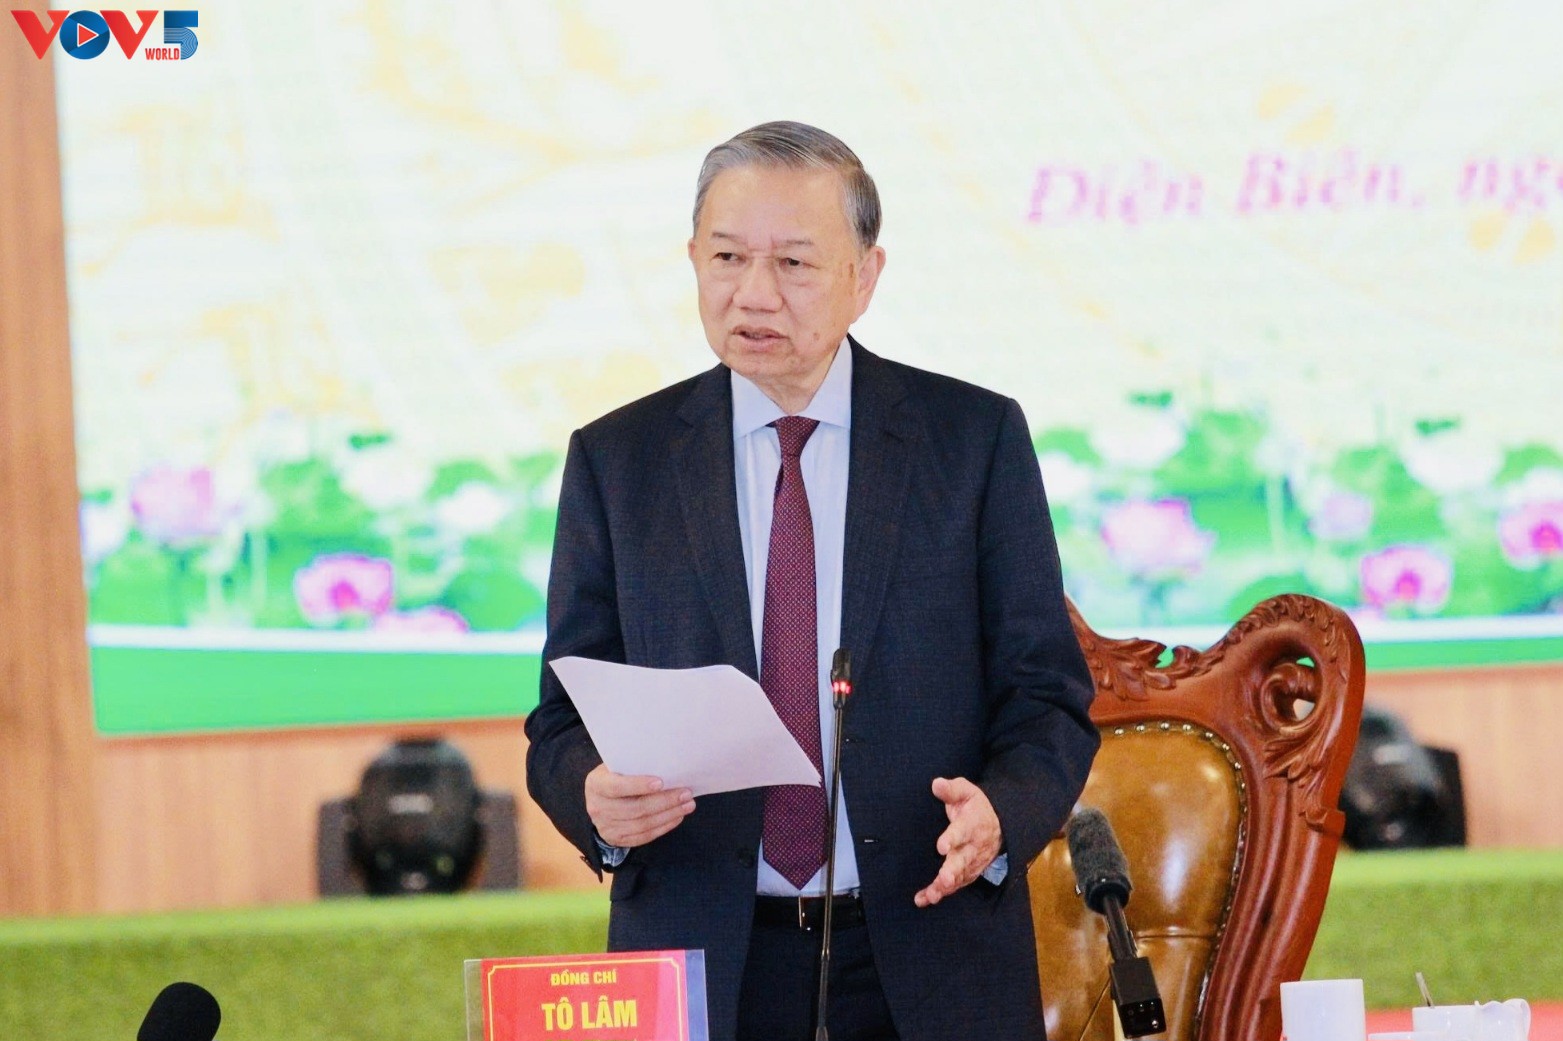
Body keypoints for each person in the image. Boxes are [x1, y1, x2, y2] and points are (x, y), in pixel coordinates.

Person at [525, 120, 1099, 1041]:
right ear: (692, 260)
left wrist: (1001, 813)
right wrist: (590, 796)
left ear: (864, 276)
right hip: (702, 955)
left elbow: (1048, 696)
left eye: (793, 263)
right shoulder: (618, 459)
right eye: (726, 257)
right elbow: (560, 718)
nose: (753, 293)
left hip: (928, 943)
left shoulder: (970, 441)